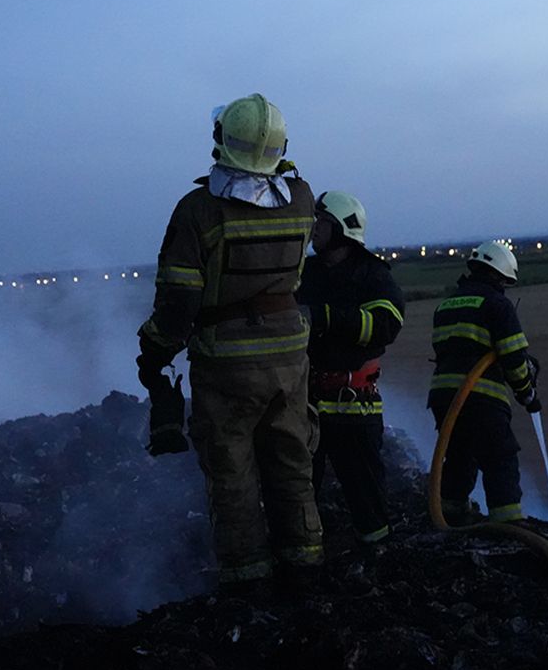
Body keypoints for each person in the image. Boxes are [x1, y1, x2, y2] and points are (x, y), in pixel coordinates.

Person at [136, 93, 323, 590]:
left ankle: (248, 579)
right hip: (289, 357)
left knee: (233, 471)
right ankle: (306, 563)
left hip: (227, 363)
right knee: (292, 460)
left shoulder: (199, 211)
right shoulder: (302, 198)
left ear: (221, 140)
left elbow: (179, 301)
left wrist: (153, 352)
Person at [296, 191, 405, 543]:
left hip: (353, 403)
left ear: (342, 229)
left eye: (321, 223)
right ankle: (305, 565)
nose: (313, 230)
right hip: (304, 403)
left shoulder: (372, 274)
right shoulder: (306, 273)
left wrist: (325, 318)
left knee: (365, 495)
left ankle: (378, 560)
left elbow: (386, 324)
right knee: (297, 490)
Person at [428, 240, 540, 523]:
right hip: (481, 397)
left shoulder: (445, 305)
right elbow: (514, 358)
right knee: (499, 457)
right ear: (498, 275)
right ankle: (509, 524)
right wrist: (527, 393)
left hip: (443, 398)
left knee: (459, 455)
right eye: (504, 281)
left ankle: (451, 515)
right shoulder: (497, 305)